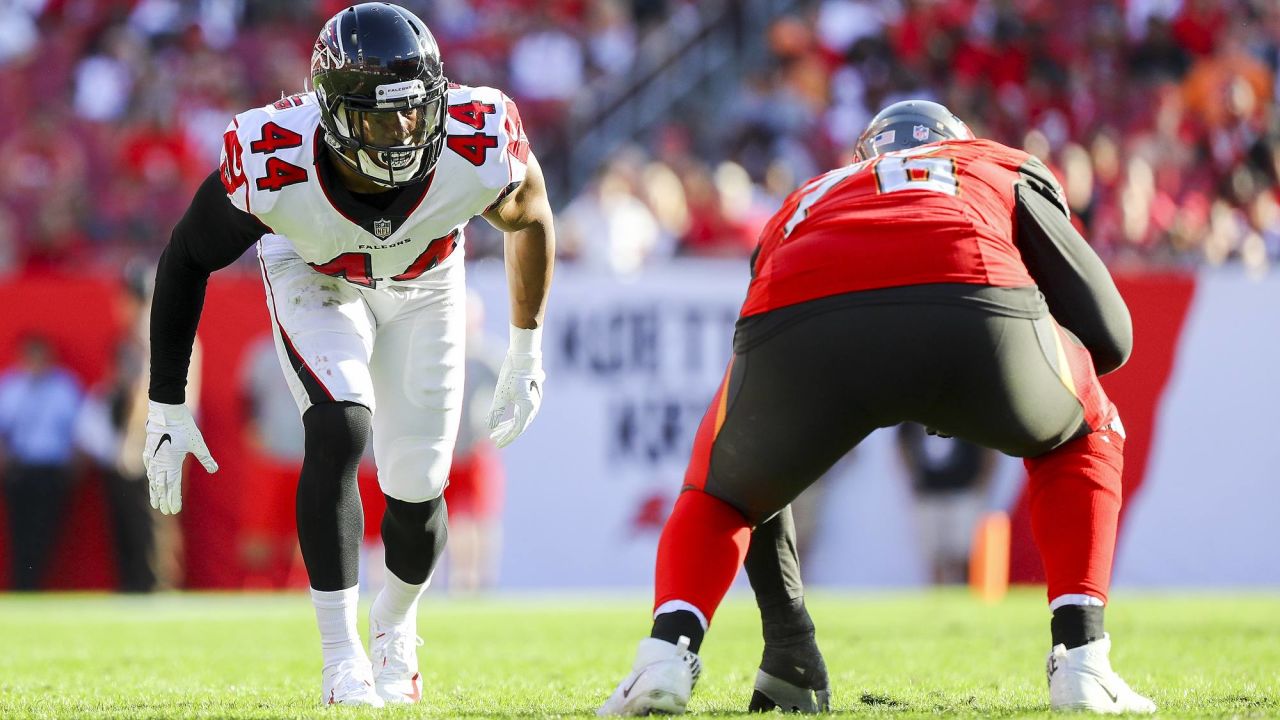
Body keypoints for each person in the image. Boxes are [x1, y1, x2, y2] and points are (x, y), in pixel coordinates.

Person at [599, 100, 1156, 715]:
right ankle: (1082, 660)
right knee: (1090, 426)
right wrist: (996, 389)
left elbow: (757, 327)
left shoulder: (810, 193)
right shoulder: (997, 163)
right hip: (972, 302)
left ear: (864, 159)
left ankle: (668, 656)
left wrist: (789, 643)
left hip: (802, 317)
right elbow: (1112, 332)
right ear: (956, 142)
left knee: (726, 486)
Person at [141, 3, 554, 707]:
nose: (401, 135)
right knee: (340, 427)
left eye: (413, 114)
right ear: (330, 115)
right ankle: (342, 658)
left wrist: (525, 346)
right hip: (317, 276)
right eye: (376, 119)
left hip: (426, 283)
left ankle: (395, 624)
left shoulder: (478, 135)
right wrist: (167, 400)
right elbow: (185, 257)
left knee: (419, 490)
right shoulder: (276, 159)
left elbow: (532, 212)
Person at [0, 334, 84, 590]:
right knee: (18, 530)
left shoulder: (64, 387)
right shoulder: (11, 385)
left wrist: (73, 468)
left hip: (51, 470)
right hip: (19, 469)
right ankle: (21, 584)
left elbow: (78, 432)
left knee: (44, 531)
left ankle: (36, 583)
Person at [897, 423, 998, 584]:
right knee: (935, 554)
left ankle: (965, 593)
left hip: (963, 491)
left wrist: (982, 481)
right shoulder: (914, 409)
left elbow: (989, 446)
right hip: (929, 492)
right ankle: (939, 598)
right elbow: (902, 441)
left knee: (964, 552)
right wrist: (912, 476)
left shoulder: (968, 408)